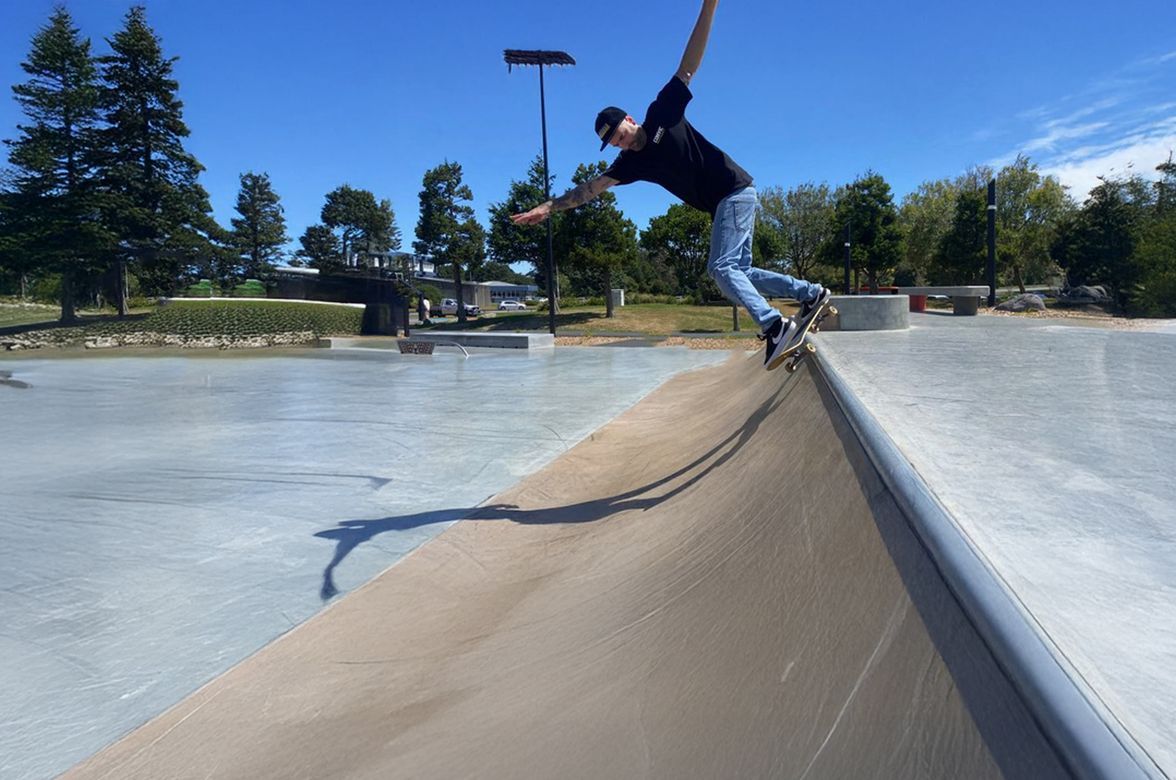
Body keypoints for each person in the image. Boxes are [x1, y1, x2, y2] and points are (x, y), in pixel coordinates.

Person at [512, 0, 829, 370]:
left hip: (734, 190)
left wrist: (709, 7)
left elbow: (689, 65)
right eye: (614, 141)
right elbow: (590, 189)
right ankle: (810, 294)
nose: (622, 142)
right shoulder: (630, 164)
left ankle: (775, 326)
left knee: (720, 268)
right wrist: (547, 208)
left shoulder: (662, 111)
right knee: (739, 271)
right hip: (728, 201)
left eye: (620, 133)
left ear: (630, 119)